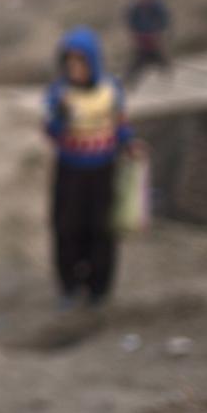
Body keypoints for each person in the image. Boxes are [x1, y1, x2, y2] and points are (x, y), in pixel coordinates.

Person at [44, 27, 136, 310]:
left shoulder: (110, 90)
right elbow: (52, 131)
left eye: (80, 61)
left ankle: (98, 289)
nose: (75, 68)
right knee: (67, 228)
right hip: (70, 171)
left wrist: (129, 143)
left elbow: (119, 125)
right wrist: (60, 116)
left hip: (102, 171)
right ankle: (69, 287)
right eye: (70, 62)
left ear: (92, 61)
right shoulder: (60, 93)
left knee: (101, 230)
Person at [125, 0, 172, 87]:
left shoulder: (157, 6)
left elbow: (164, 21)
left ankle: (166, 80)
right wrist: (135, 35)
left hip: (154, 39)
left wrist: (159, 34)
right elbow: (131, 22)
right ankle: (129, 82)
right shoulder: (135, 7)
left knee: (160, 60)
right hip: (142, 39)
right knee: (138, 61)